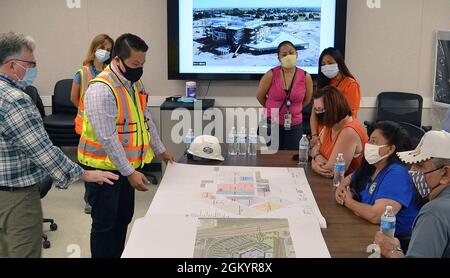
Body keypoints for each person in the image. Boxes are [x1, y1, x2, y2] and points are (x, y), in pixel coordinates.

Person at [0, 32, 118, 258]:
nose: (34, 68)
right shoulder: (15, 99)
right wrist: (83, 174)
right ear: (13, 65)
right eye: (31, 64)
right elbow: (41, 150)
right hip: (15, 198)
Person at [79, 33, 175, 258]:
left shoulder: (133, 83)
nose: (139, 68)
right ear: (118, 60)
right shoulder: (101, 88)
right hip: (102, 171)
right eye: (134, 64)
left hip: (124, 168)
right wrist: (130, 172)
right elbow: (108, 138)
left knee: (122, 220)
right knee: (105, 227)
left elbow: (145, 119)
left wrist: (160, 149)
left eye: (142, 64)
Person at [335, 121, 419, 251]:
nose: (368, 145)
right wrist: (341, 188)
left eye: (374, 141)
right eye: (369, 140)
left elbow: (377, 215)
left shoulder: (397, 173)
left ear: (390, 149)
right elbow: (349, 178)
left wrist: (348, 201)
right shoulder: (373, 166)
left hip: (394, 244)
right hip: (365, 229)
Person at [374, 130, 450, 258]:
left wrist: (392, 251)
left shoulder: (434, 212)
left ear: (445, 173)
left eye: (420, 165)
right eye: (412, 164)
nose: (412, 171)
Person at [70, 34, 114, 215]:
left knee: (104, 163)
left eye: (109, 50)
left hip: (105, 125)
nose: (106, 52)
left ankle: (103, 194)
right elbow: (74, 98)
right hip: (86, 127)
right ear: (95, 49)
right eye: (104, 48)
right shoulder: (82, 72)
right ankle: (89, 199)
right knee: (89, 164)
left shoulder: (110, 71)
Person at [256, 41, 313, 150]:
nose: (288, 56)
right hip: (272, 124)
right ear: (278, 58)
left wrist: (295, 109)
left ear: (297, 54)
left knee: (292, 159)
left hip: (295, 124)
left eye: (291, 53)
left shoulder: (305, 76)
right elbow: (260, 96)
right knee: (272, 159)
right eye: (284, 54)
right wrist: (272, 109)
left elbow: (307, 99)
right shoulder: (271, 74)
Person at [310, 86, 368, 178]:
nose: (318, 114)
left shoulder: (349, 131)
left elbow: (332, 171)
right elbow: (315, 148)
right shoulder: (329, 125)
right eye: (316, 110)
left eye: (320, 109)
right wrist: (316, 159)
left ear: (333, 108)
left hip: (349, 187)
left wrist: (315, 158)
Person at [311, 47, 361, 146]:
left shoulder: (350, 84)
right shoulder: (322, 84)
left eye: (330, 63)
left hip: (339, 135)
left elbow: (350, 116)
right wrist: (314, 135)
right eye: (323, 64)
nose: (326, 66)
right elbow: (314, 112)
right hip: (321, 136)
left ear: (339, 63)